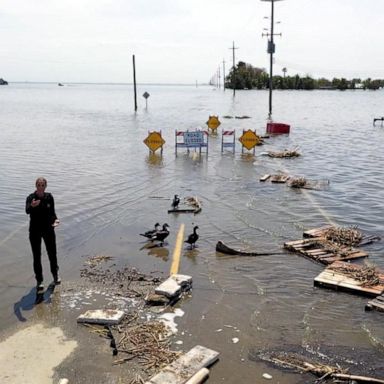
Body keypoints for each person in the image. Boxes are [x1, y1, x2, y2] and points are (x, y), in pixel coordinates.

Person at [26, 177, 61, 291]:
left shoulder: (49, 197)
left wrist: (56, 220)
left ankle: (55, 275)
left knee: (52, 253)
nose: (40, 187)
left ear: (45, 186)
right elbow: (27, 210)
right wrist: (32, 206)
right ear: (35, 186)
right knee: (37, 256)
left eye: (42, 185)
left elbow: (52, 212)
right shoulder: (31, 198)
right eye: (38, 185)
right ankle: (39, 281)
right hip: (35, 230)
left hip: (48, 229)